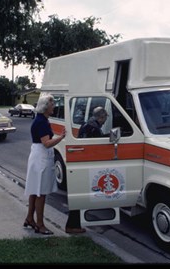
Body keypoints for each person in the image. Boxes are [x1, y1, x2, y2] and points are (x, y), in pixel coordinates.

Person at [23, 94, 65, 235]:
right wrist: (61, 137)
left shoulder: (41, 119)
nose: (54, 107)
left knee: (35, 190)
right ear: (46, 107)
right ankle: (40, 225)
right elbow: (46, 143)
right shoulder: (42, 122)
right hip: (41, 157)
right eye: (52, 104)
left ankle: (30, 218)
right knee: (41, 192)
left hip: (37, 156)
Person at [64, 107, 108, 234]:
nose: (105, 121)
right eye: (105, 118)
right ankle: (72, 226)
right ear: (101, 117)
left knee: (79, 195)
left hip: (80, 162)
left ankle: (73, 224)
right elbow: (99, 146)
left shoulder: (86, 124)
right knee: (81, 198)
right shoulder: (94, 128)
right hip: (88, 164)